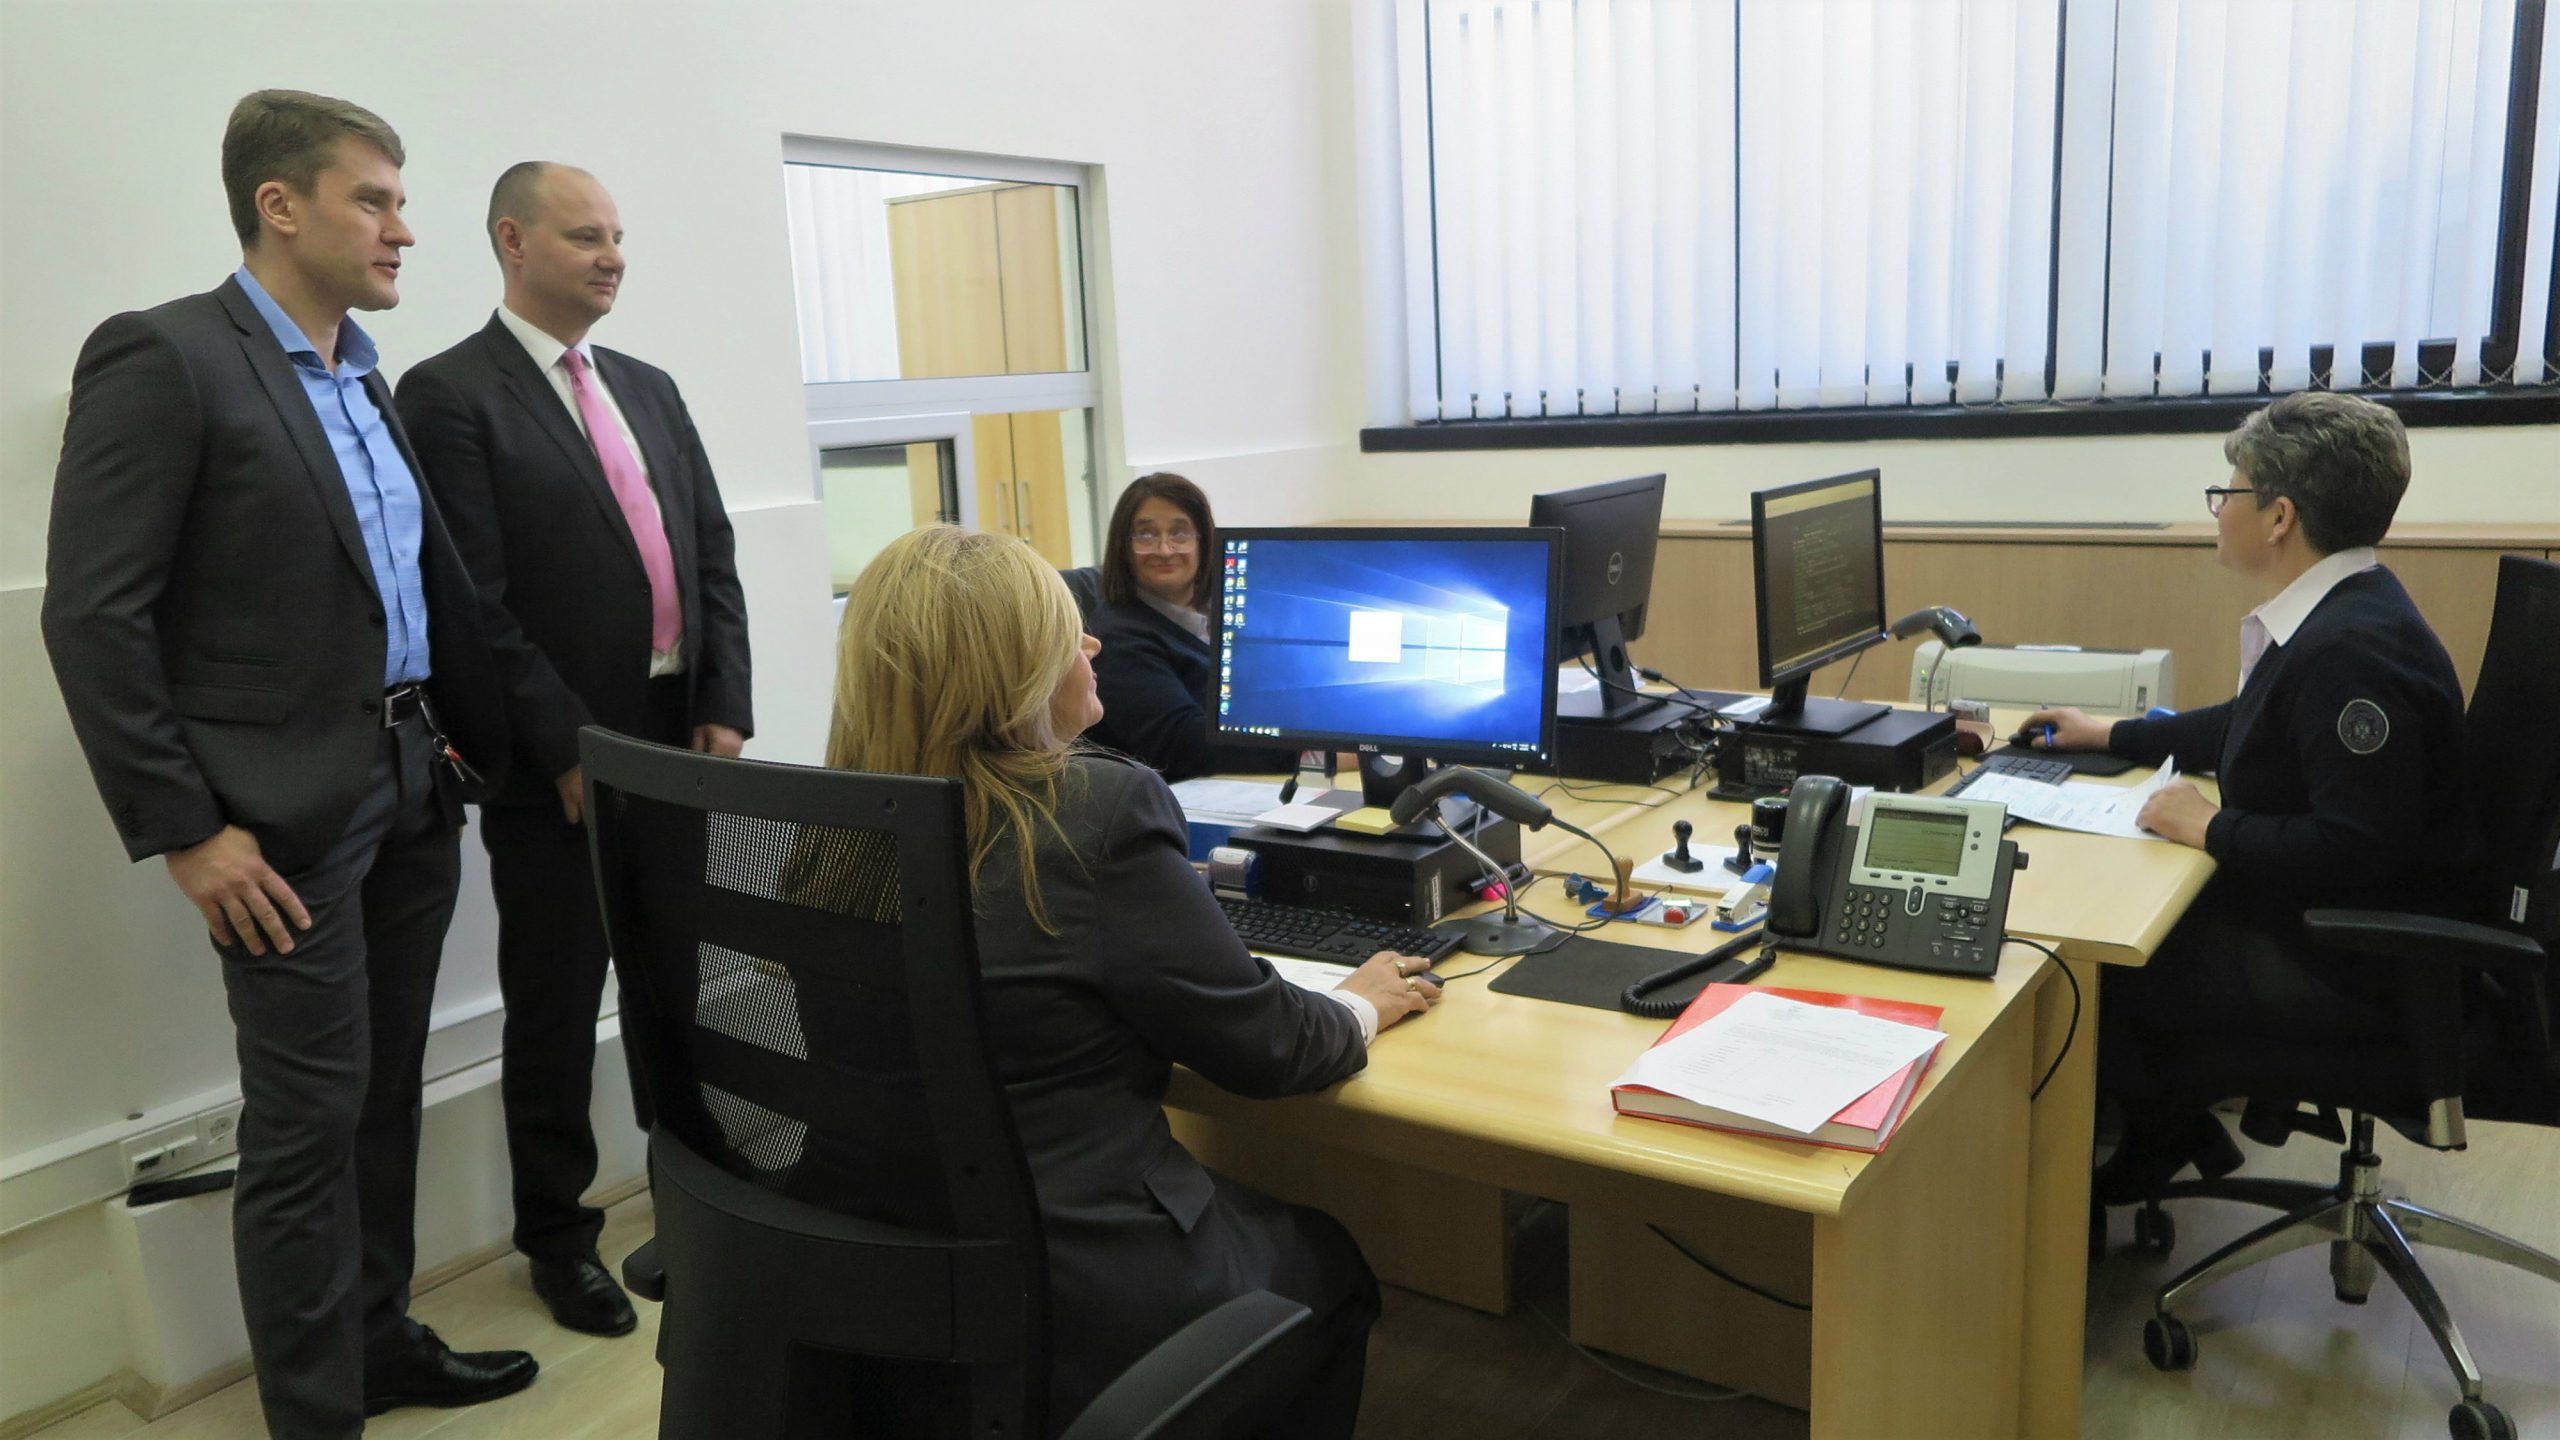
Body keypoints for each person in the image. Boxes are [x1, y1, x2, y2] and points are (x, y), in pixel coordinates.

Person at [40, 91, 539, 1436]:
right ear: (279, 205)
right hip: (278, 821)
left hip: (413, 778)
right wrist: (186, 830)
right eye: (373, 199)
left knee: (381, 1099)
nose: (402, 229)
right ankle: (316, 1415)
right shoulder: (166, 356)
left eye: (399, 201)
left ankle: (378, 1345)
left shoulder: (363, 373)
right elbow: (92, 615)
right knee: (306, 1125)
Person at [828, 525, 1438, 1436]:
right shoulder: (1093, 812)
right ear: (1010, 673)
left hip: (882, 1281)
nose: (1091, 641)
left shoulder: (828, 829)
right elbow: (1272, 1051)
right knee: (1327, 1262)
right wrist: (1360, 1002)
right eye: (1060, 631)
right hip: (1083, 1282)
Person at [395, 161, 752, 1338]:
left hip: (676, 735)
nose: (612, 256)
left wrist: (723, 703)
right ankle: (557, 1239)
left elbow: (710, 551)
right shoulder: (450, 395)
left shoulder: (647, 387)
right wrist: (565, 747)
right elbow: (472, 604)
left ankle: (696, 1205)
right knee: (554, 1007)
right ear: (512, 241)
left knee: (681, 991)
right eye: (585, 236)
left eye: (617, 236)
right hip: (556, 761)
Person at [2018, 391, 2476, 1203]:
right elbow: (2252, 724)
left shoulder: (2350, 654)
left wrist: (2210, 826)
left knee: (2089, 969)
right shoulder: (2346, 606)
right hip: (2326, 926)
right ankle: (2168, 1123)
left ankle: (2136, 1149)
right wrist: (2113, 734)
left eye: (2226, 492)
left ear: (2279, 518)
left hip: (2355, 966)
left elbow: (2356, 848)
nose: (2217, 510)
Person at [1083, 472, 1287, 780]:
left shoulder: (1221, 611)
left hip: (1250, 781)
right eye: (1146, 535)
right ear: (1123, 547)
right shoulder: (1117, 638)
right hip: (1180, 796)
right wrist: (1313, 752)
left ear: (1203, 541)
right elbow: (1186, 745)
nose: (1165, 550)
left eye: (1180, 533)